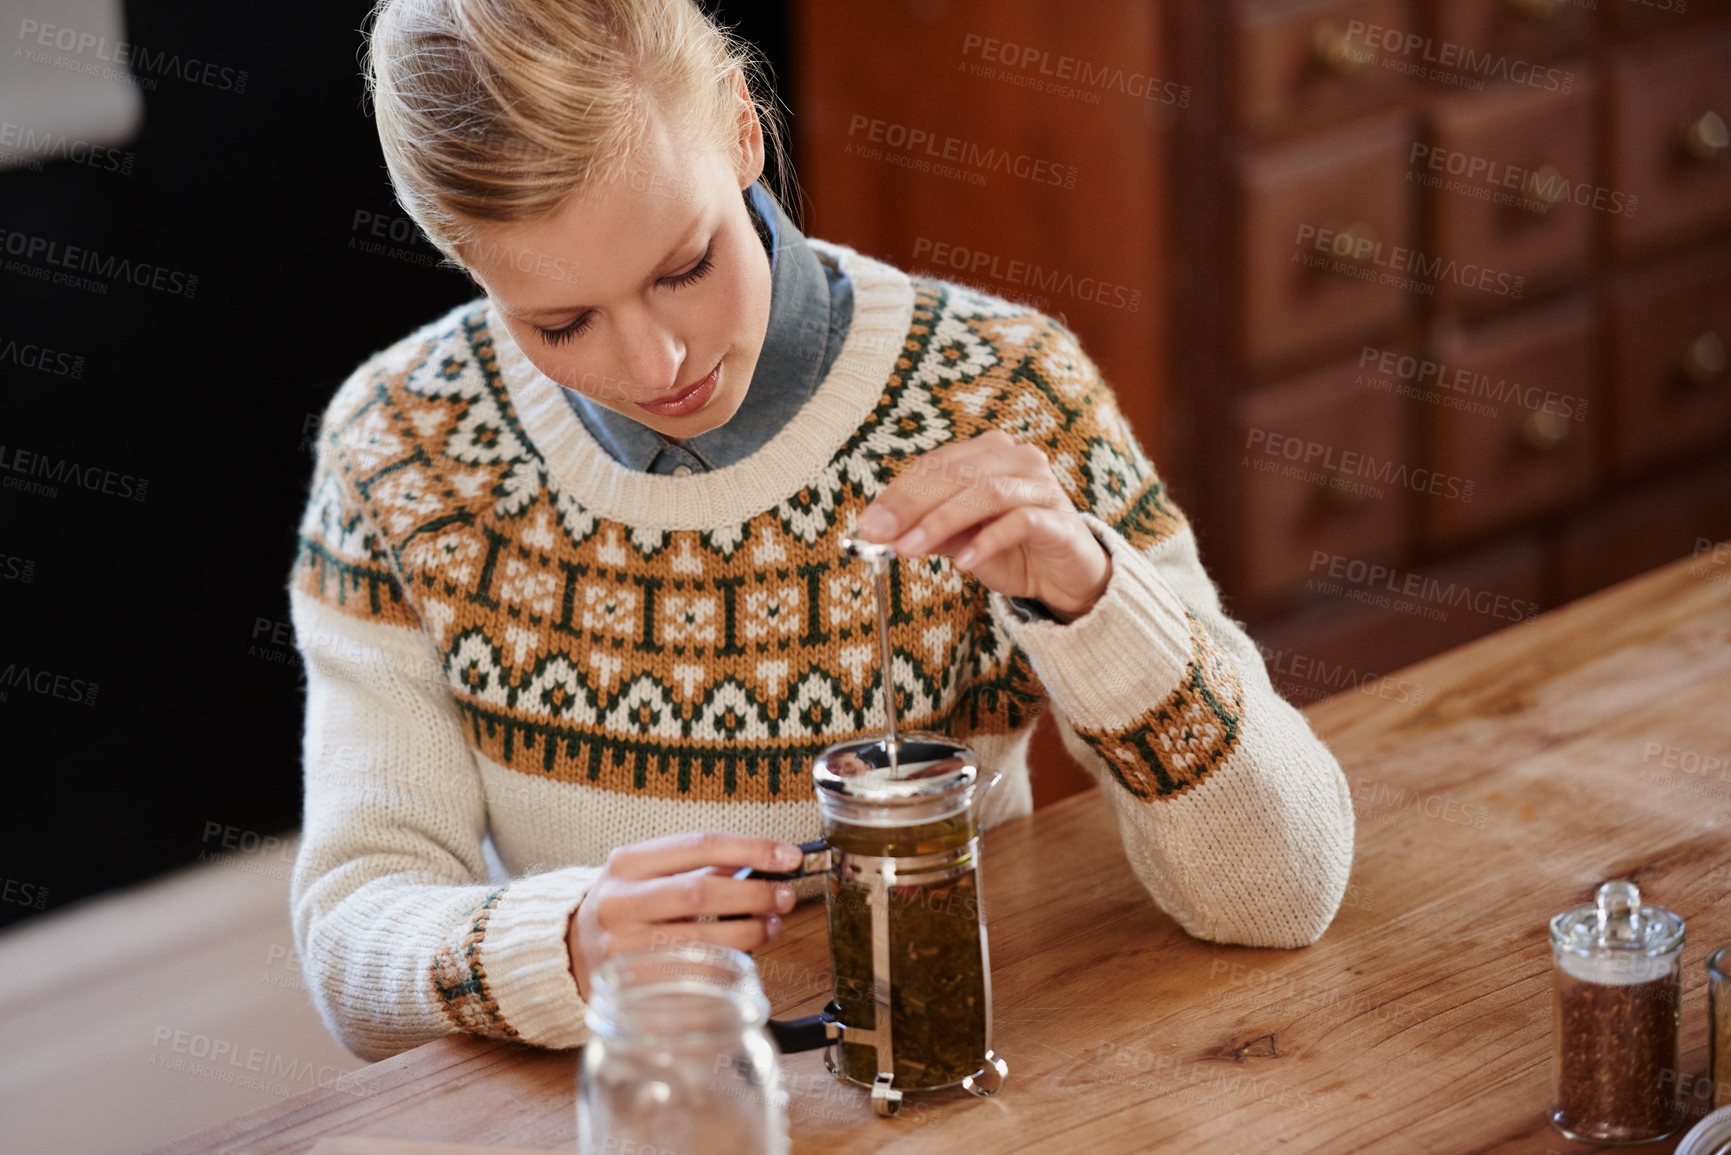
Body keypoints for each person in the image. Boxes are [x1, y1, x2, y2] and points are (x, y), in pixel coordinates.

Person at [288, 0, 1356, 1062]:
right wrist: (559, 947)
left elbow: (1284, 890)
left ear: (745, 132)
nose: (658, 365)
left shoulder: (1004, 388)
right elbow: (352, 940)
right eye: (561, 322)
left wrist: (1093, 600)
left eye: (685, 266)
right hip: (641, 1108)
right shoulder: (402, 448)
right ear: (467, 261)